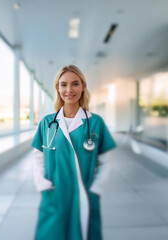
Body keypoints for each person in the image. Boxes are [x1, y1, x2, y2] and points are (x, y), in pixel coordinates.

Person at [31, 65, 116, 240]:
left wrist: (96, 189)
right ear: (58, 88)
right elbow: (37, 159)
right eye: (63, 85)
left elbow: (105, 162)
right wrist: (43, 185)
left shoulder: (95, 123)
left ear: (83, 87)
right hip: (54, 195)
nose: (69, 90)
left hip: (85, 194)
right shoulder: (47, 123)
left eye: (75, 84)